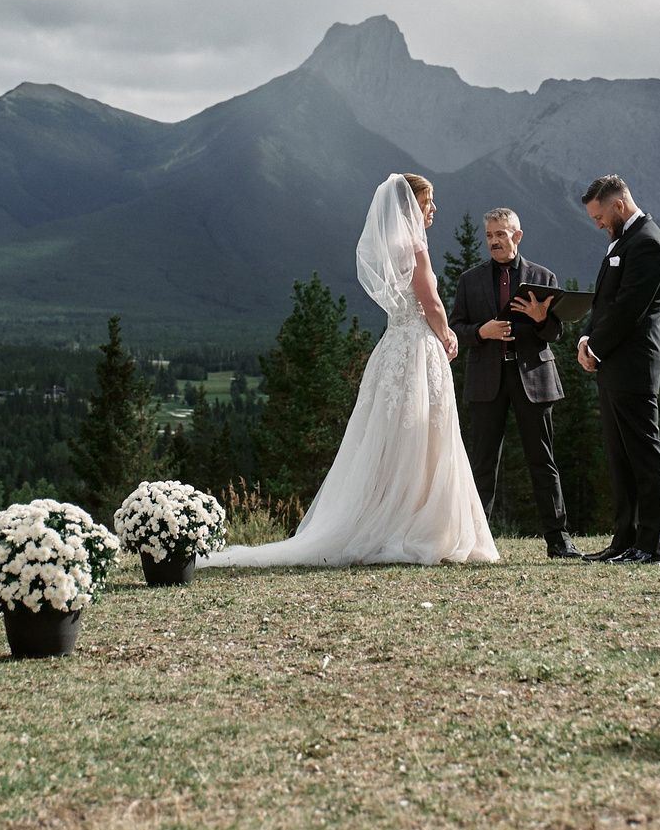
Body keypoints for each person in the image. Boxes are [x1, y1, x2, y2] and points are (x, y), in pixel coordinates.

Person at [204, 175, 495, 567]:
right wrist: (447, 337)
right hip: (417, 349)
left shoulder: (389, 249)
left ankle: (393, 515)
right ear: (412, 206)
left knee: (392, 435)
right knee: (427, 432)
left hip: (393, 347)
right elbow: (432, 304)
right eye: (429, 202)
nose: (433, 209)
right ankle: (420, 522)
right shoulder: (416, 248)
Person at [449, 207, 575, 557]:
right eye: (489, 235)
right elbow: (454, 329)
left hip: (533, 378)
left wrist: (539, 319)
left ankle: (559, 541)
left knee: (542, 460)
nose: (493, 241)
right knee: (483, 463)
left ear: (517, 236)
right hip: (486, 380)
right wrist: (481, 331)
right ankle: (476, 543)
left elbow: (556, 332)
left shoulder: (543, 277)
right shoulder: (469, 281)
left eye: (500, 234)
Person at [576, 175, 660, 564]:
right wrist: (586, 339)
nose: (597, 223)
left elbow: (630, 309)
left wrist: (595, 347)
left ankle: (649, 545)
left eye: (599, 215)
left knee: (645, 457)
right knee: (619, 459)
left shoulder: (648, 243)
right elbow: (605, 303)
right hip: (612, 365)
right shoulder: (622, 240)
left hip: (634, 365)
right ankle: (624, 540)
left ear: (618, 205)